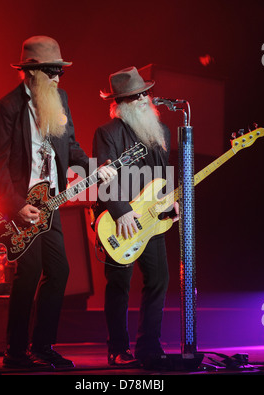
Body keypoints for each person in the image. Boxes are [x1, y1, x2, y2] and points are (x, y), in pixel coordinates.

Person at [0, 36, 116, 369]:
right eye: (51, 71)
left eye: (60, 70)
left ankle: (41, 348)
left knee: (59, 271)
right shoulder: (8, 107)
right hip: (22, 205)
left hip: (50, 203)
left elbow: (69, 145)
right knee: (28, 273)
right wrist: (16, 204)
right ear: (30, 73)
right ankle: (15, 352)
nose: (58, 77)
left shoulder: (60, 99)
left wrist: (91, 167)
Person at [92, 66, 179, 366]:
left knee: (158, 279)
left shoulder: (162, 131)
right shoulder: (108, 133)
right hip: (120, 220)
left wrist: (170, 201)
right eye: (135, 96)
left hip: (151, 218)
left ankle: (148, 346)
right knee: (119, 283)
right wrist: (120, 211)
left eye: (145, 93)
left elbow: (162, 175)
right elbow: (103, 178)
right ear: (120, 103)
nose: (144, 99)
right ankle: (117, 348)